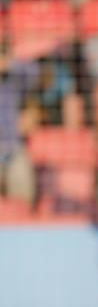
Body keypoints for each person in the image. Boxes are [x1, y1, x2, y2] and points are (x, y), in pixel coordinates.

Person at [0, 40, 38, 206]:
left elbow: (34, 71)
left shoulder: (12, 81)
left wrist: (9, 62)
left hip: (11, 147)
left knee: (21, 178)